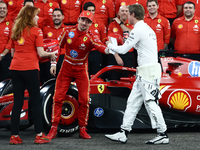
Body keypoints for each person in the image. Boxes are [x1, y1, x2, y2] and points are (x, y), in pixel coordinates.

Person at [105, 4, 169, 144]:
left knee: (151, 102)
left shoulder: (138, 29)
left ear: (133, 14)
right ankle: (124, 132)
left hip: (148, 72)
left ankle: (163, 133)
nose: (127, 15)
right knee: (132, 101)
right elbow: (131, 46)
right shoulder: (145, 28)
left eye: (128, 13)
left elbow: (123, 50)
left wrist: (109, 46)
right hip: (146, 71)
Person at [47, 11, 110, 139]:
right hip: (66, 67)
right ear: (78, 19)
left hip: (81, 68)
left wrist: (112, 49)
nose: (84, 23)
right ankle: (53, 128)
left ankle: (82, 128)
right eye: (83, 20)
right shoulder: (67, 31)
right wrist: (53, 64)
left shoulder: (91, 36)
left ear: (91, 24)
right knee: (58, 97)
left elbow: (101, 47)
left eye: (88, 21)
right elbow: (56, 47)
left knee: (85, 100)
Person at [8, 6, 57, 145]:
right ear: (30, 17)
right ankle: (39, 135)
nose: (38, 18)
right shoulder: (37, 31)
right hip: (30, 69)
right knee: (35, 102)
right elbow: (41, 53)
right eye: (36, 15)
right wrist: (51, 54)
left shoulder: (15, 31)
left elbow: (12, 54)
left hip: (15, 69)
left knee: (17, 103)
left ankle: (14, 136)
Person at [107, 5, 134, 75]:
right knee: (113, 80)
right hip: (115, 54)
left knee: (128, 80)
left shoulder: (132, 24)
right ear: (118, 13)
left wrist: (120, 23)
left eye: (126, 11)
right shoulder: (112, 24)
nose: (124, 13)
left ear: (129, 13)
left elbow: (132, 34)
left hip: (128, 55)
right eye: (122, 11)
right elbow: (109, 42)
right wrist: (116, 56)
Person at [42, 8, 66, 81]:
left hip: (63, 57)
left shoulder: (67, 29)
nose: (56, 18)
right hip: (50, 58)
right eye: (54, 16)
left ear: (63, 17)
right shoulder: (46, 29)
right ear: (52, 17)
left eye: (58, 16)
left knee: (63, 80)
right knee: (51, 80)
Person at [83, 2, 107, 76]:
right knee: (83, 76)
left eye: (93, 10)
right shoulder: (80, 25)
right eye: (89, 10)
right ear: (84, 12)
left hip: (96, 53)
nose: (91, 12)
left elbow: (103, 40)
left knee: (96, 76)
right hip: (83, 53)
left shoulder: (100, 24)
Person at [0, 1, 13, 82]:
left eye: (4, 8)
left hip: (5, 57)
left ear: (7, 10)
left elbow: (11, 41)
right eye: (0, 8)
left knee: (4, 80)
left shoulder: (11, 24)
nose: (2, 10)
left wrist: (2, 55)